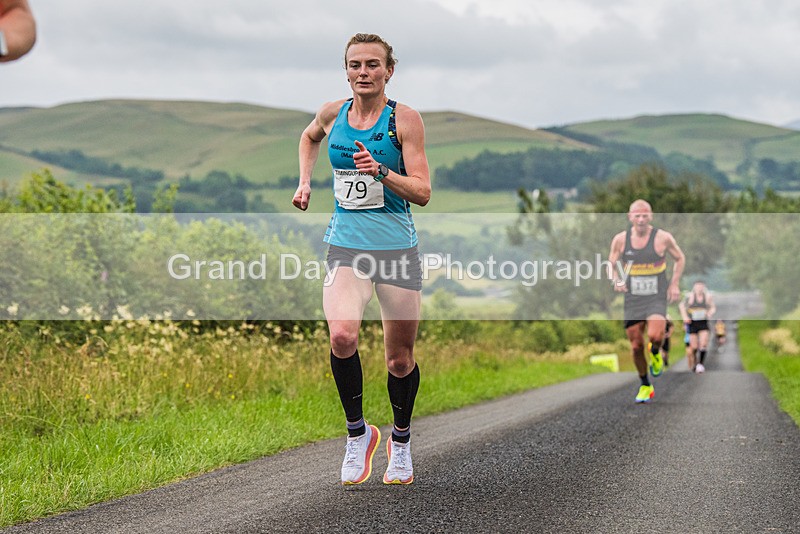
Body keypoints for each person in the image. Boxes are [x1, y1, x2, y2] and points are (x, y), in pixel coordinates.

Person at [293, 33, 430, 485]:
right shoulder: (333, 113)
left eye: (373, 64)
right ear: (346, 70)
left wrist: (382, 171)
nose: (363, 72)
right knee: (342, 336)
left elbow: (423, 192)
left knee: (399, 360)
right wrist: (305, 182)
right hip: (346, 246)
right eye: (355, 64)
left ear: (389, 71)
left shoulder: (404, 120)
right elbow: (309, 137)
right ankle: (358, 434)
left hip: (396, 249)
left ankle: (401, 442)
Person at [608, 199, 685, 403]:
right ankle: (645, 384)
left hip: (655, 296)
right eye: (637, 215)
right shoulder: (620, 240)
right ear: (630, 217)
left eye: (645, 215)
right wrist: (616, 279)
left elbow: (680, 258)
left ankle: (656, 352)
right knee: (635, 346)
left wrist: (674, 284)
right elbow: (611, 263)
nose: (641, 219)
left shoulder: (662, 238)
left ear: (650, 216)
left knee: (655, 336)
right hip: (633, 297)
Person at [679, 281, 716, 373]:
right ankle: (695, 362)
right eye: (698, 286)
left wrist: (709, 313)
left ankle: (700, 364)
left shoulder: (707, 297)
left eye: (701, 286)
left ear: (704, 287)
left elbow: (713, 307)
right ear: (694, 287)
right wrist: (685, 317)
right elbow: (681, 306)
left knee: (703, 344)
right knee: (694, 347)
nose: (699, 288)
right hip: (692, 324)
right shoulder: (690, 297)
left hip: (703, 323)